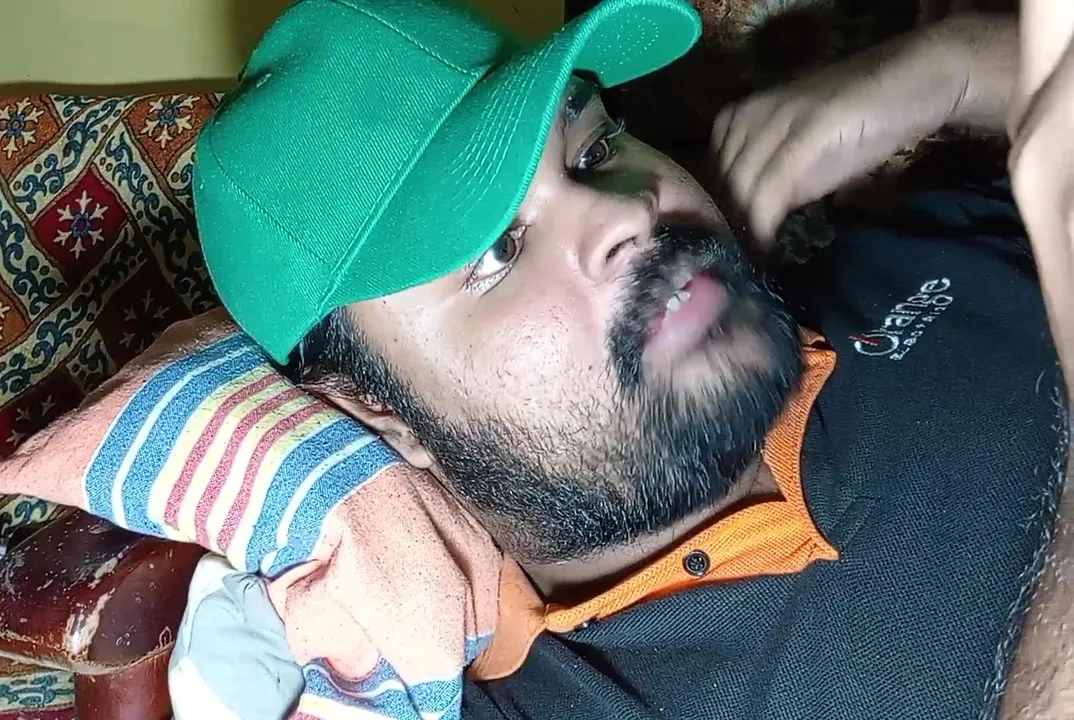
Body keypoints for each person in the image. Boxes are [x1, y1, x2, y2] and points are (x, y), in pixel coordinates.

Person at [190, 0, 1074, 716]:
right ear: (375, 409)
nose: (625, 211)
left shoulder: (891, 266)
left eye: (595, 148)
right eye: (497, 251)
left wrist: (968, 68)